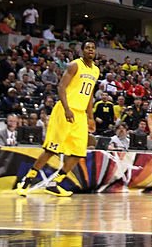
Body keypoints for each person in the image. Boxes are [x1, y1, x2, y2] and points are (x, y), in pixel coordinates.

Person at [14, 41, 99, 197]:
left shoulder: (96, 70)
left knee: (79, 153)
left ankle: (55, 183)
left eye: (93, 48)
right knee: (52, 149)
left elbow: (90, 95)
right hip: (65, 110)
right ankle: (27, 180)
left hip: (80, 114)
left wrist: (90, 117)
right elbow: (61, 87)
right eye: (87, 48)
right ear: (82, 51)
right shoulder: (74, 65)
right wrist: (67, 109)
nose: (91, 50)